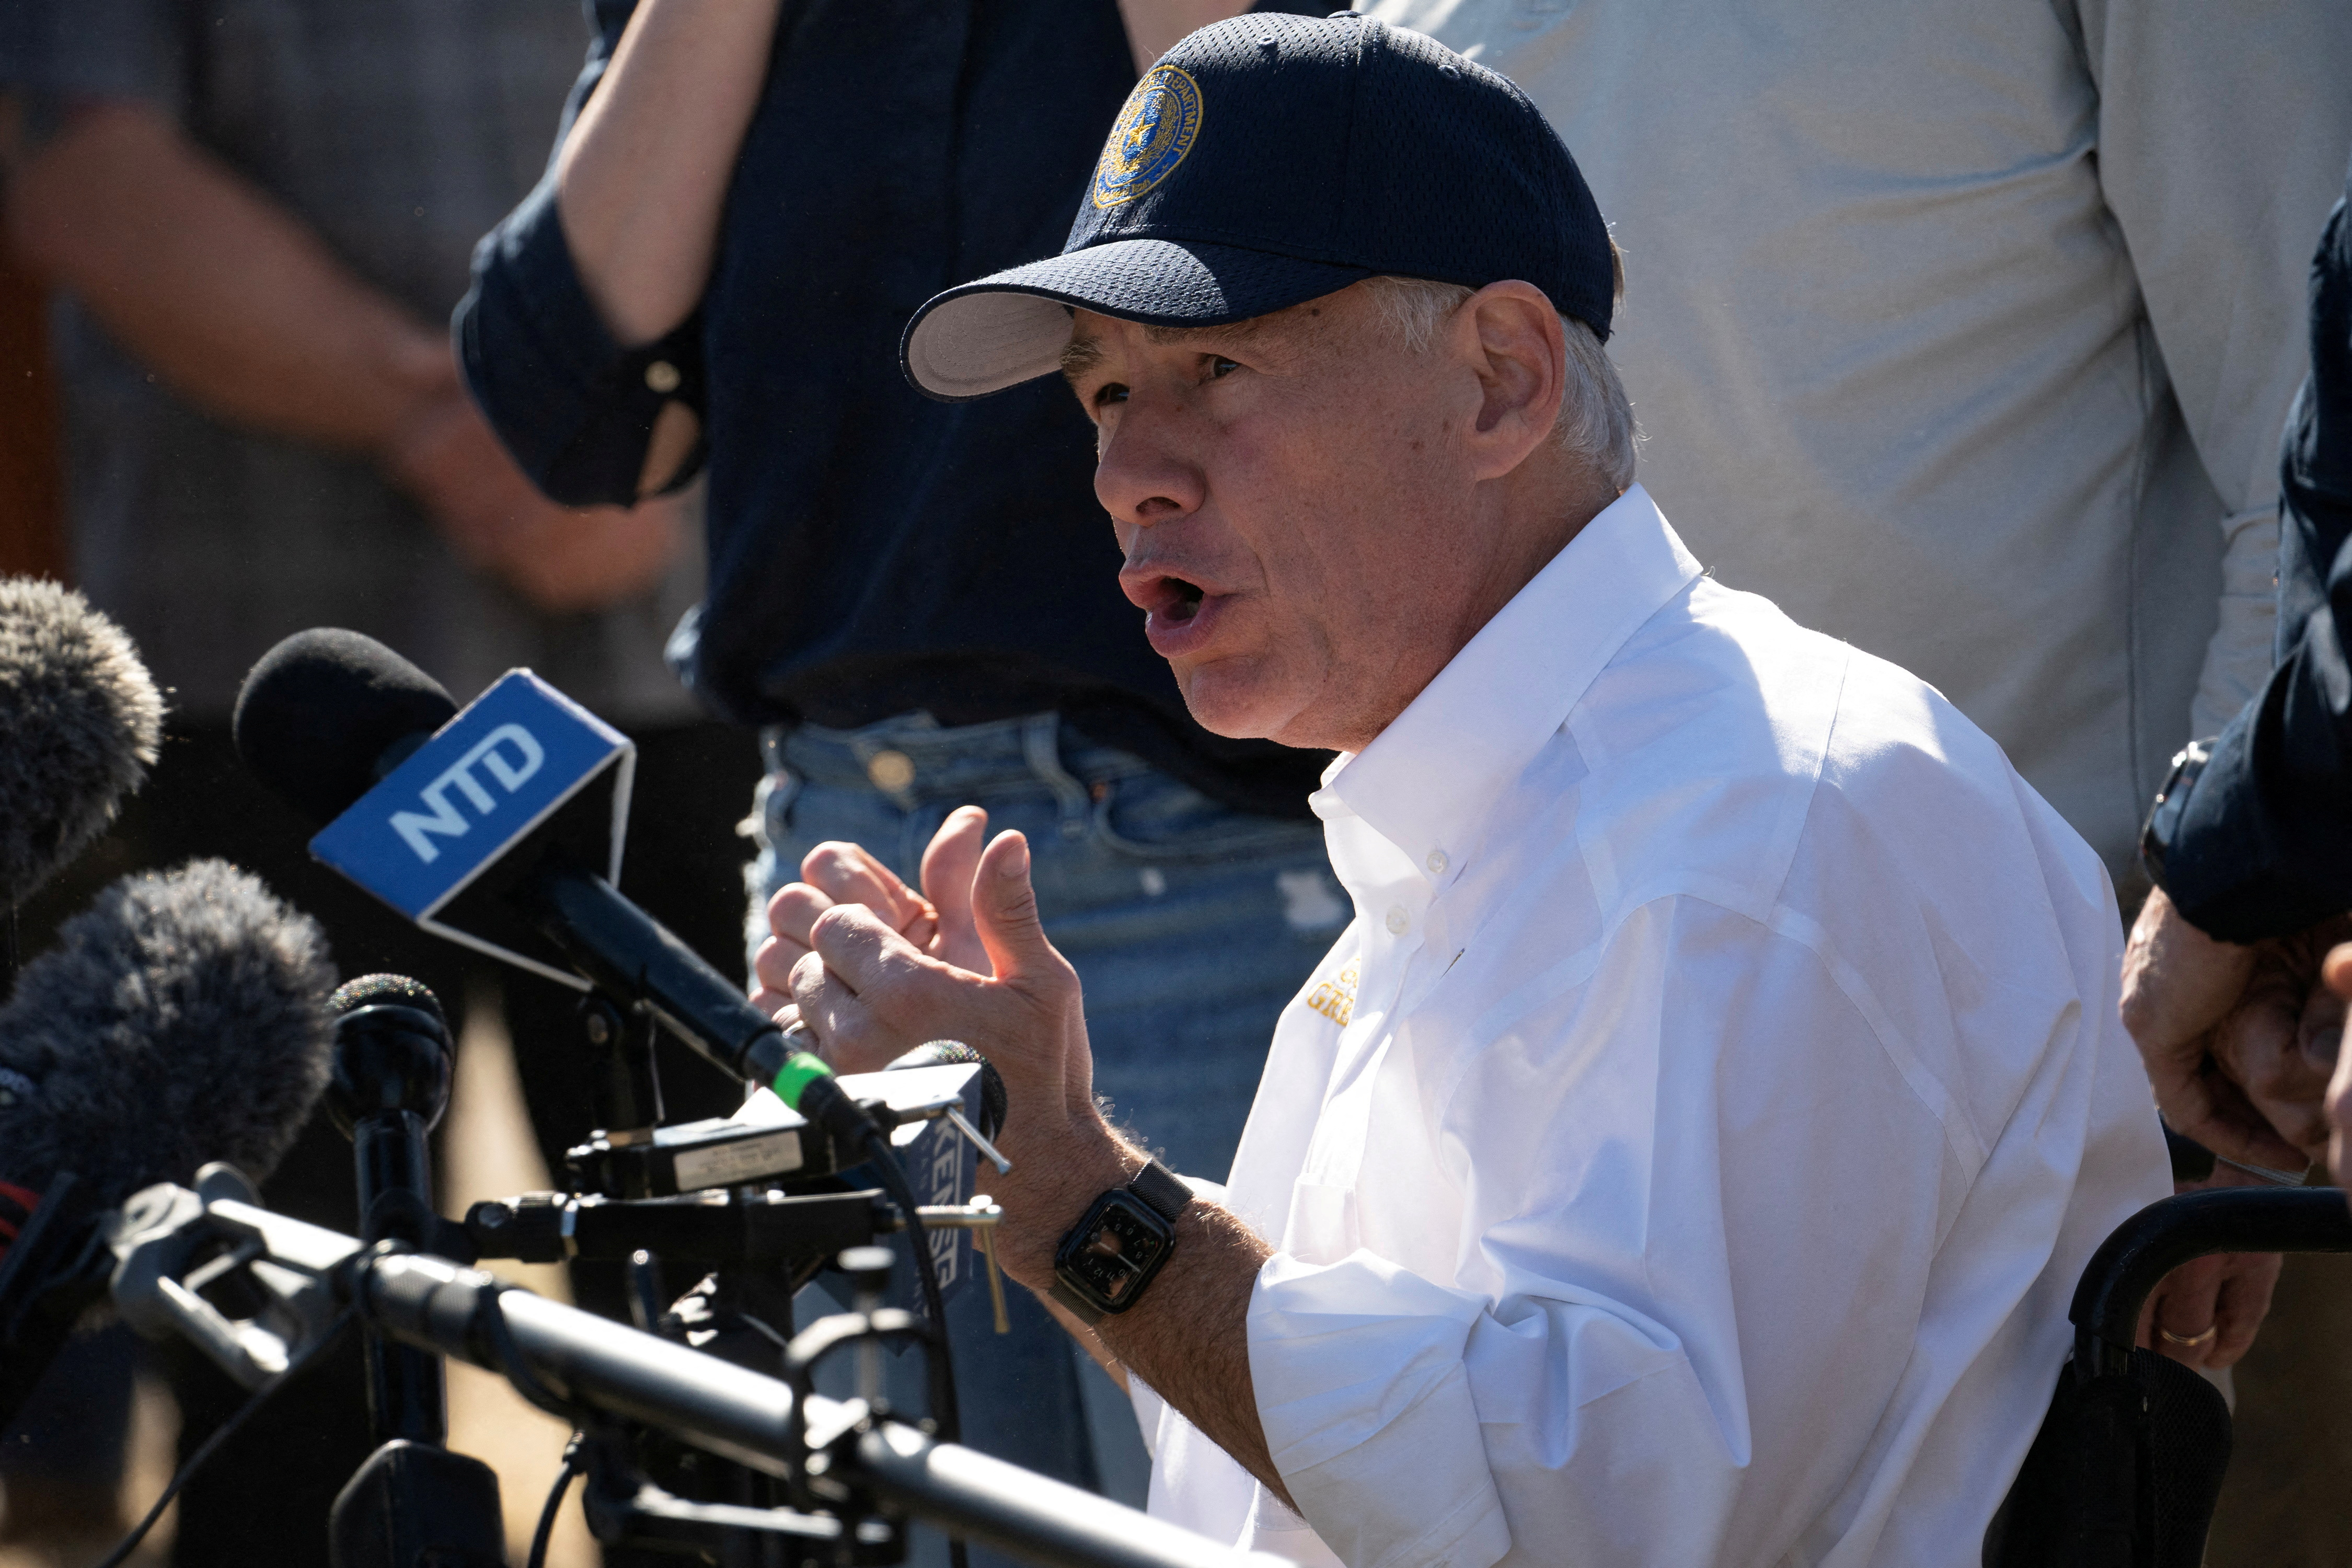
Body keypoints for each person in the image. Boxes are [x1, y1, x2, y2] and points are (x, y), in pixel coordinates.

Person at [759, 18, 2173, 1563]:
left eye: (1216, 366)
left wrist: (1080, 1202)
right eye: (1103, 395)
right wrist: (1060, 1172)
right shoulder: (1541, 807)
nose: (1128, 472)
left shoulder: (1752, 831)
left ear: (1503, 378)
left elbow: (1577, 1526)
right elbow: (1343, 1474)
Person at [454, 0, 1348, 1518]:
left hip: (1208, 852)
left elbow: (1328, 247)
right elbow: (571, 409)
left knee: (1258, 1523)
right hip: (837, 871)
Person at [0, 1, 757, 1560]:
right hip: (280, 707)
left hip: (678, 689)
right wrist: (491, 421)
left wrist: (628, 437)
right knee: (285, 1373)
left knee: (732, 1363)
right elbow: (83, 168)